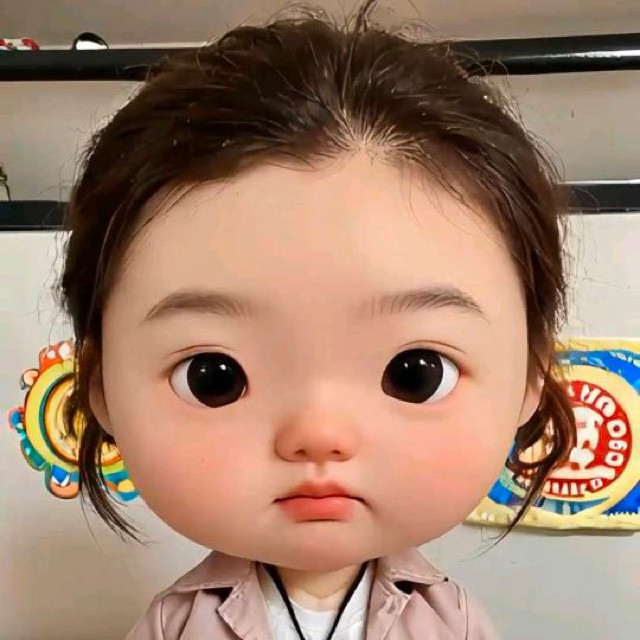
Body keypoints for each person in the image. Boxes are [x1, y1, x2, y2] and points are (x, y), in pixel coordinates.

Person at [59, 0, 576, 637]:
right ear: (101, 386)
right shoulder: (174, 623)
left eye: (415, 373)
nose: (318, 434)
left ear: (530, 375)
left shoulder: (453, 620)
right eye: (213, 376)